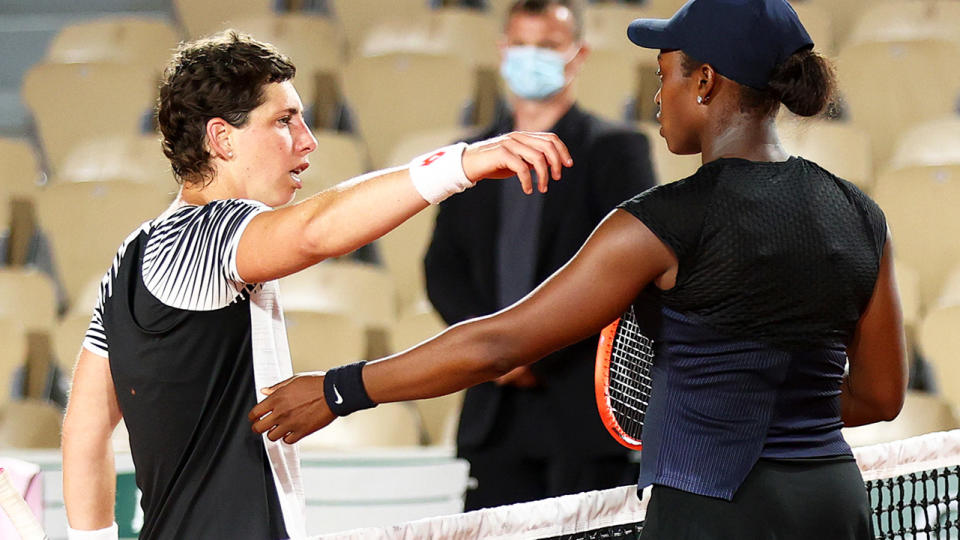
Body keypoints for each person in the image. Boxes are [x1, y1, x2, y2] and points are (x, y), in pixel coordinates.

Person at [251, 1, 907, 538]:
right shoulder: (859, 212)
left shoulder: (661, 222)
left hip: (711, 512)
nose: (656, 96)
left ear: (705, 82)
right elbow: (880, 397)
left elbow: (499, 342)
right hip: (834, 507)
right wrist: (773, 422)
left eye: (664, 75)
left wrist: (341, 389)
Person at [60, 30, 571, 540]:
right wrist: (462, 165)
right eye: (283, 121)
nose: (308, 140)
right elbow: (316, 231)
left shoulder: (130, 255)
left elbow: (85, 434)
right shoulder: (212, 231)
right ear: (222, 138)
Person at [424, 0, 656, 510]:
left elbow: (628, 269)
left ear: (577, 55)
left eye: (548, 46)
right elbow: (441, 268)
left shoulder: (616, 148)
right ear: (503, 51)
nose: (533, 57)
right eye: (522, 44)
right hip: (495, 409)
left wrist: (531, 350)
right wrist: (492, 349)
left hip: (583, 404)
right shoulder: (470, 155)